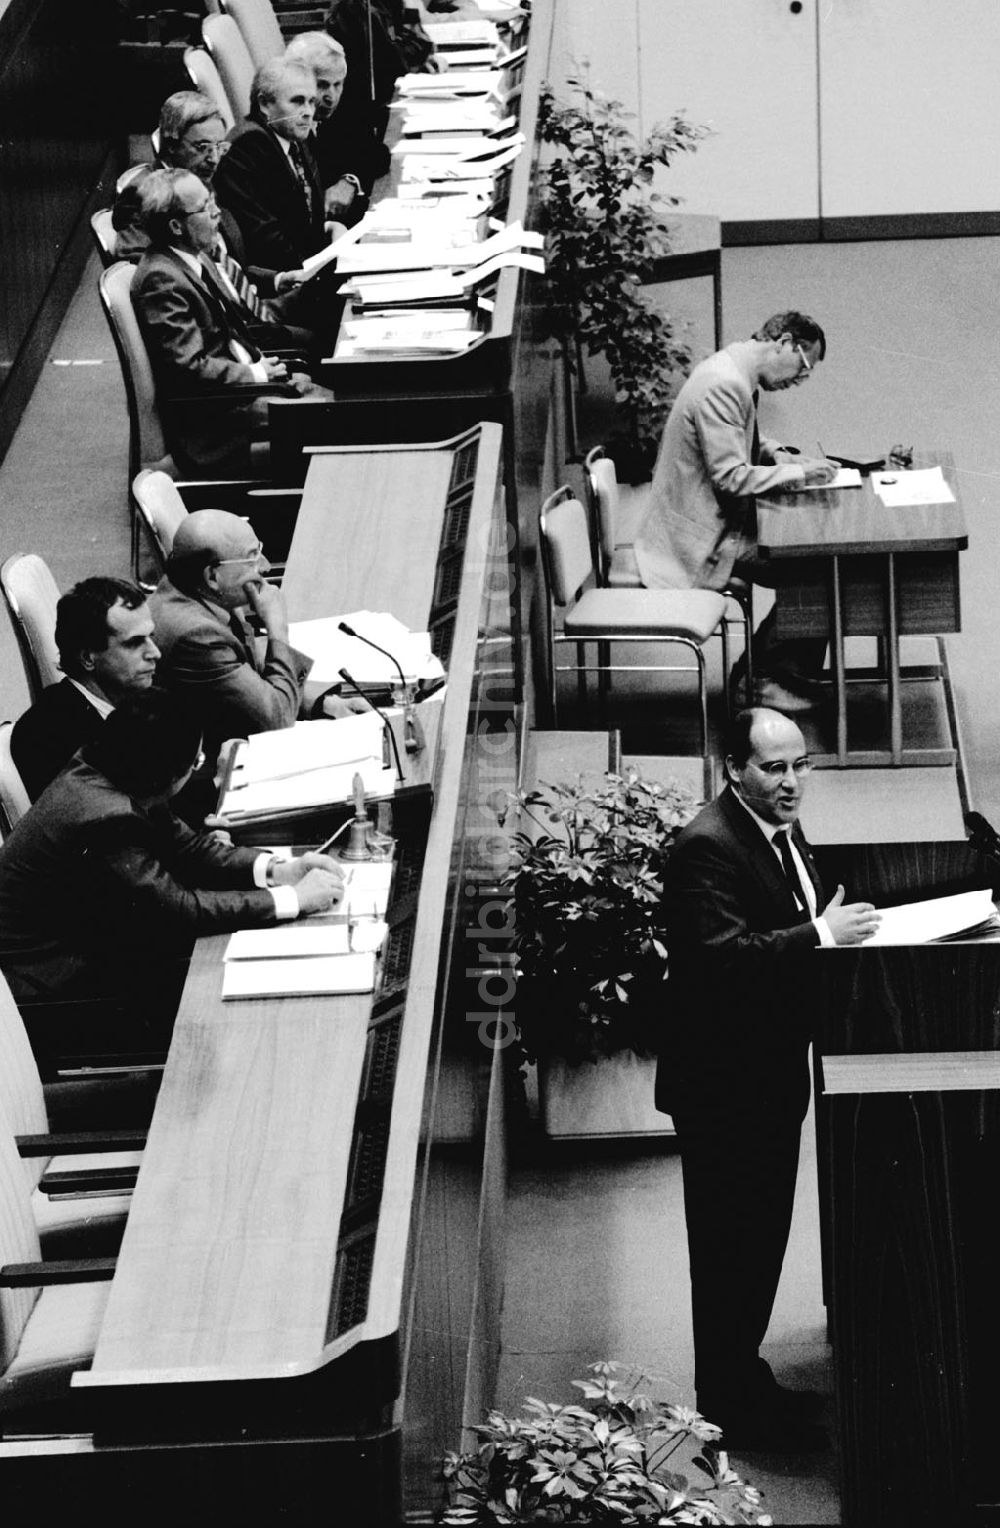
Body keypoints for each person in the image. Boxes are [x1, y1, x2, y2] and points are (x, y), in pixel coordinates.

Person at [658, 707, 880, 1452]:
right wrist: (821, 934)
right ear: (733, 769)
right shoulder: (707, 848)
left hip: (767, 1078)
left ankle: (743, 1382)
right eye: (773, 769)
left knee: (756, 1249)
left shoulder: (777, 833)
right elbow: (723, 961)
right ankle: (726, 1406)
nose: (792, 783)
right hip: (725, 1091)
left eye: (800, 765)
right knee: (729, 1254)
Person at [0, 689, 346, 1041]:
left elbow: (191, 849)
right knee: (255, 1010)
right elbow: (179, 911)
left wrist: (278, 870)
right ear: (169, 775)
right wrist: (292, 900)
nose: (199, 766)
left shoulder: (113, 771)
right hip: (55, 990)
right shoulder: (104, 816)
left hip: (88, 946)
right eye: (197, 762)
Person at [634, 312, 839, 713]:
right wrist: (796, 472)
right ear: (782, 342)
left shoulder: (734, 369)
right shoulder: (725, 385)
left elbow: (738, 439)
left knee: (817, 559)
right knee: (817, 568)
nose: (800, 379)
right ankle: (761, 681)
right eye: (803, 366)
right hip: (700, 539)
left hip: (714, 520)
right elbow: (729, 476)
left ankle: (780, 675)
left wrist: (777, 454)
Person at [130, 167, 332, 476]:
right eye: (205, 208)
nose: (216, 213)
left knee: (342, 398)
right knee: (336, 417)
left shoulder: (195, 256)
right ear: (176, 226)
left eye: (212, 201)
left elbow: (232, 327)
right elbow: (189, 367)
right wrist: (254, 373)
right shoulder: (162, 279)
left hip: (241, 396)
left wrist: (263, 365)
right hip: (217, 426)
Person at [148, 509, 314, 783]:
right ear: (213, 575)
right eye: (251, 558)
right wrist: (278, 629)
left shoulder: (204, 594)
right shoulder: (196, 634)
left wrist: (322, 700)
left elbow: (252, 674)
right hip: (202, 776)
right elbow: (277, 720)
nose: (265, 566)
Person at [10, 577, 159, 802]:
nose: (155, 653)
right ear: (88, 658)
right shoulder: (51, 737)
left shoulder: (134, 699)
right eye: (134, 643)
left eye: (151, 637)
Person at [284, 32, 382, 223]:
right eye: (322, 85)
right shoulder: (287, 127)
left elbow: (376, 151)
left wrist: (349, 181)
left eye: (338, 84)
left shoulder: (341, 108)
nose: (332, 97)